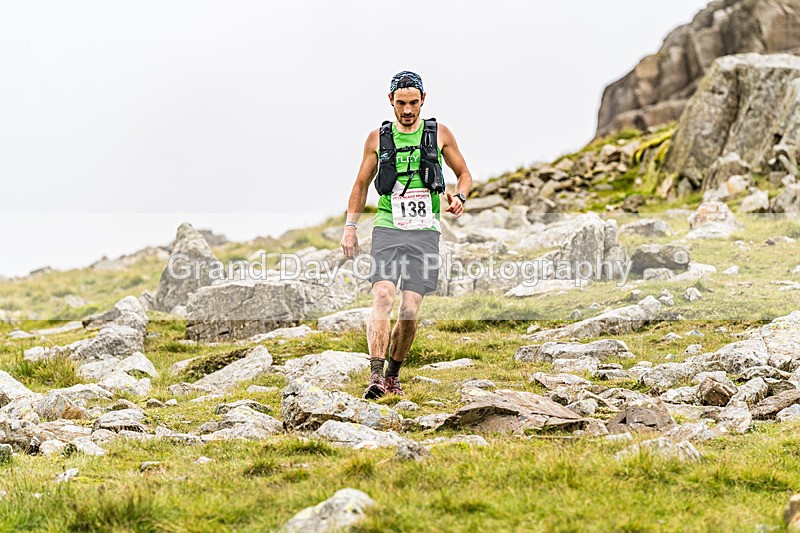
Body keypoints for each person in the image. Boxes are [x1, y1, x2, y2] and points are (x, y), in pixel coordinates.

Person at [340, 71, 473, 399]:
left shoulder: (439, 134)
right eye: (401, 103)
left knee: (410, 309)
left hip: (425, 231)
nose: (408, 109)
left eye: (414, 102)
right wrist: (350, 227)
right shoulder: (377, 139)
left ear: (423, 99)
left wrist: (460, 197)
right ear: (391, 101)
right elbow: (360, 184)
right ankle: (375, 375)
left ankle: (392, 374)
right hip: (388, 226)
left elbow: (464, 174)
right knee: (383, 296)